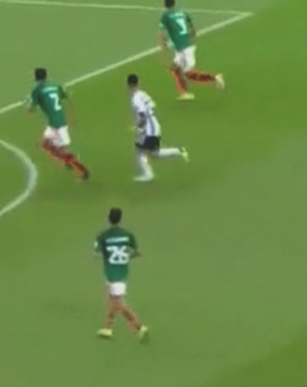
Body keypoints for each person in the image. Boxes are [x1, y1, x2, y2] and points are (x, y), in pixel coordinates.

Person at [95, 207, 148, 341]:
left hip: (111, 272)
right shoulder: (128, 235)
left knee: (117, 303)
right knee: (113, 300)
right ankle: (108, 328)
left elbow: (98, 253)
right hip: (123, 271)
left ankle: (139, 326)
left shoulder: (103, 236)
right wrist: (126, 258)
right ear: (120, 219)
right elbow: (136, 252)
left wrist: (107, 257)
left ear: (108, 218)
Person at [28, 67, 90, 180]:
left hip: (56, 124)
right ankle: (66, 160)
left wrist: (28, 107)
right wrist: (71, 116)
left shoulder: (37, 91)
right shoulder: (56, 86)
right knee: (45, 144)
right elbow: (66, 98)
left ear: (35, 77)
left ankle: (81, 169)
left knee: (62, 149)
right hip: (58, 122)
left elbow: (32, 109)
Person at [160, 0, 225, 99]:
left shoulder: (165, 16)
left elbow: (162, 32)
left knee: (186, 72)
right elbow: (192, 29)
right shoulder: (183, 13)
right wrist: (192, 39)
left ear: (165, 5)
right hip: (187, 45)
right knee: (176, 68)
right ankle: (184, 92)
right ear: (174, 3)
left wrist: (163, 44)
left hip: (182, 48)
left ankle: (214, 78)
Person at [127, 73, 188, 182]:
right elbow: (152, 107)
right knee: (154, 154)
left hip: (149, 129)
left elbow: (143, 115)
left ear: (128, 85)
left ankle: (148, 174)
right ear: (138, 83)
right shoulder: (143, 94)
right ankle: (178, 151)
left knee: (141, 151)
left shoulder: (135, 98)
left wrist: (137, 127)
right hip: (154, 126)